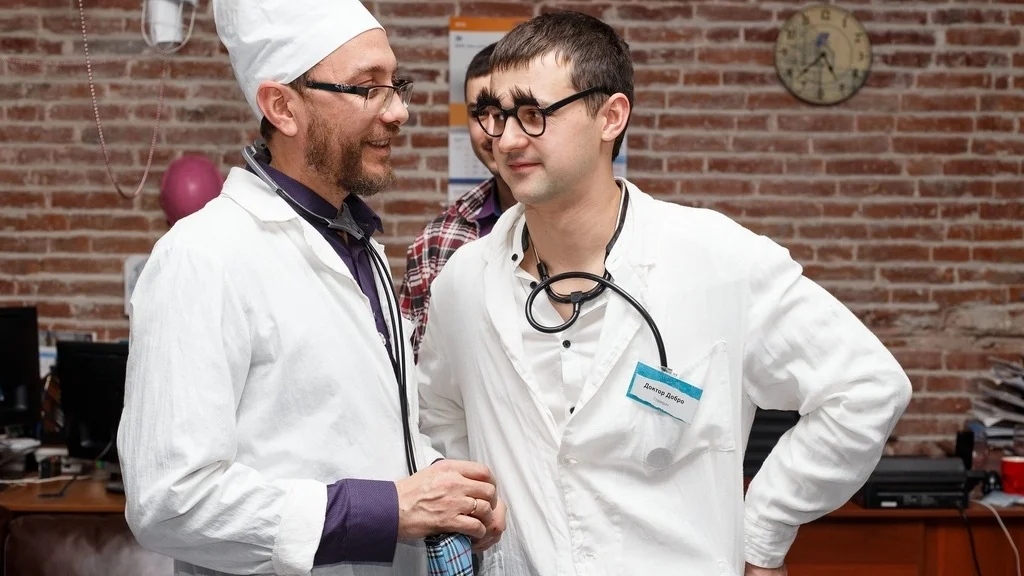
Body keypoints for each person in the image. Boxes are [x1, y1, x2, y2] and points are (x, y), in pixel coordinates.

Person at [417, 11, 911, 576]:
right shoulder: (464, 282)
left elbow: (866, 388)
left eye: (533, 114)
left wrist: (764, 529)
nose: (505, 140)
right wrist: (479, 511)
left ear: (610, 116)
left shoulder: (717, 259)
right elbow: (438, 414)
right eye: (495, 115)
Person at [117, 1, 504, 575]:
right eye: (367, 88)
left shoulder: (361, 248)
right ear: (282, 107)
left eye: (396, 85)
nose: (399, 111)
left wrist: (447, 492)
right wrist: (386, 511)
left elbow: (362, 436)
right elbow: (169, 502)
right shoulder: (202, 257)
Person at [400, 43, 515, 357]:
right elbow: (416, 369)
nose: (490, 131)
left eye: (502, 113)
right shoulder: (435, 242)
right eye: (479, 114)